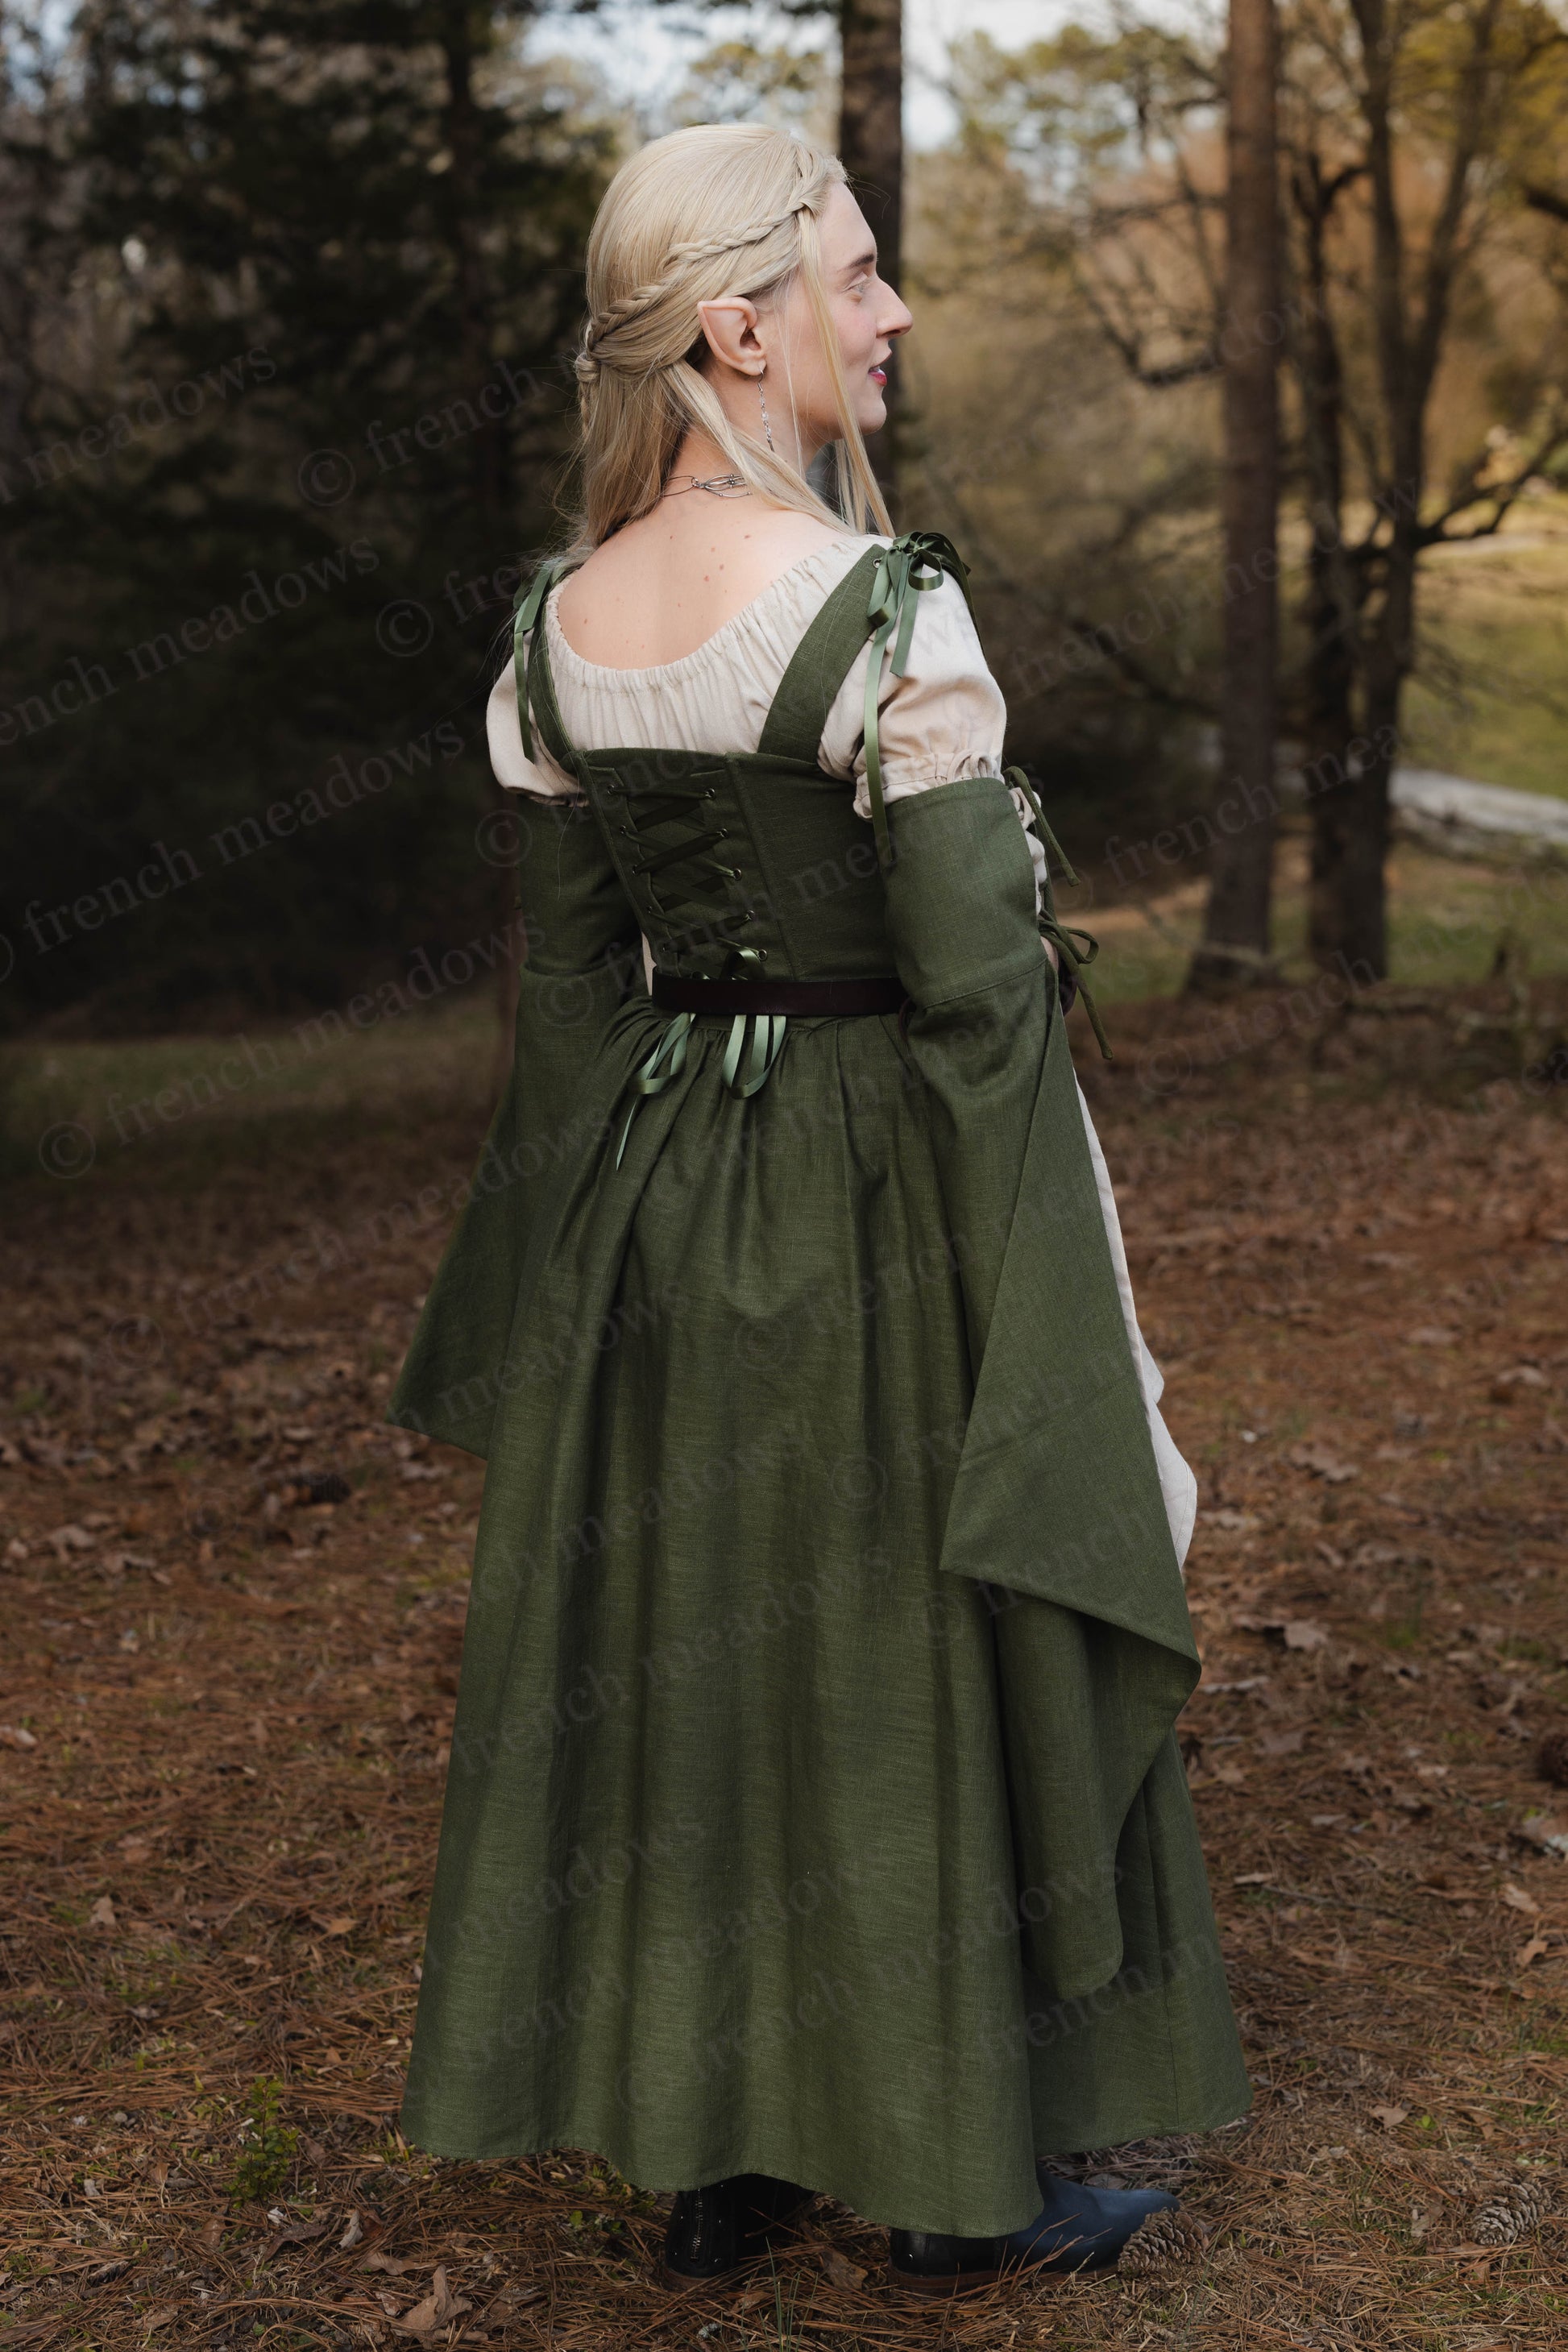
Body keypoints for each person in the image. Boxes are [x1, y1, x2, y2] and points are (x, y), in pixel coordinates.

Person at [389, 120, 1250, 2298]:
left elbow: (575, 1005)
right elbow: (978, 1009)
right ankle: (964, 2181)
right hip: (876, 1183)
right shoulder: (886, 614)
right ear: (731, 323)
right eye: (853, 277)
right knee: (901, 1649)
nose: (888, 314)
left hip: (670, 1199)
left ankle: (723, 2163)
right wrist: (1045, 1314)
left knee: (701, 1662)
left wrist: (572, 1289)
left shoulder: (555, 633)